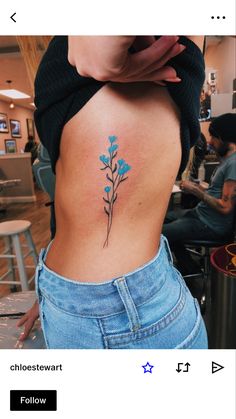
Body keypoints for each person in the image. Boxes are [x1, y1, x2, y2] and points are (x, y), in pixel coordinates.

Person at [17, 35, 207, 349]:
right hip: (72, 302)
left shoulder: (158, 39)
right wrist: (52, 291)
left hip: (126, 318)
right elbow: (73, 197)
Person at [163, 113, 236, 275]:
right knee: (160, 221)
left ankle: (184, 269)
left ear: (225, 139)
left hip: (210, 225)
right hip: (201, 215)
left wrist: (196, 191)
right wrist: (199, 188)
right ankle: (188, 266)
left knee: (159, 234)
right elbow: (217, 193)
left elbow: (225, 207)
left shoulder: (234, 164)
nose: (210, 142)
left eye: (214, 137)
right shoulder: (227, 161)